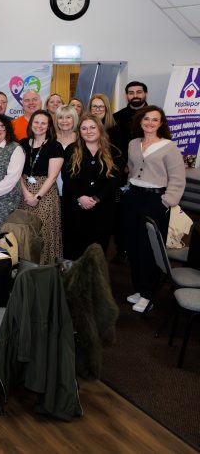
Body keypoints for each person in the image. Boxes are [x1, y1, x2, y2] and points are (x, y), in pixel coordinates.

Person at [122, 105, 186, 314]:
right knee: (132, 246)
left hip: (155, 201)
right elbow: (131, 169)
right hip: (133, 198)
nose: (150, 123)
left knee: (148, 248)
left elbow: (178, 180)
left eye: (155, 120)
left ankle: (149, 294)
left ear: (161, 124)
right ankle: (140, 289)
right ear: (140, 121)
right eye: (146, 119)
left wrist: (166, 202)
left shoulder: (169, 147)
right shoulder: (133, 143)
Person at [61, 116, 123, 260]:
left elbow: (115, 180)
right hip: (76, 207)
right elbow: (67, 177)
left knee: (98, 250)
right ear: (79, 132)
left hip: (103, 209)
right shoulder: (72, 149)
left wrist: (96, 198)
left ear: (100, 129)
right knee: (74, 249)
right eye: (84, 128)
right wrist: (80, 197)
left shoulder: (114, 151)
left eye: (92, 127)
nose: (88, 131)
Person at [18, 110, 65, 263]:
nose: (39, 126)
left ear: (49, 126)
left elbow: (52, 177)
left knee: (44, 231)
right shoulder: (23, 143)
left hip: (44, 194)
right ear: (31, 124)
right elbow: (17, 171)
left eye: (43, 123)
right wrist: (25, 193)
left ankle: (45, 267)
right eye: (36, 122)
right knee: (24, 231)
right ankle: (25, 267)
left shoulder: (55, 146)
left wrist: (37, 196)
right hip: (23, 191)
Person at [113, 80, 148, 146]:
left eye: (139, 92)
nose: (135, 96)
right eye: (131, 93)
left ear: (146, 94)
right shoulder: (116, 117)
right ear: (126, 96)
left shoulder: (155, 115)